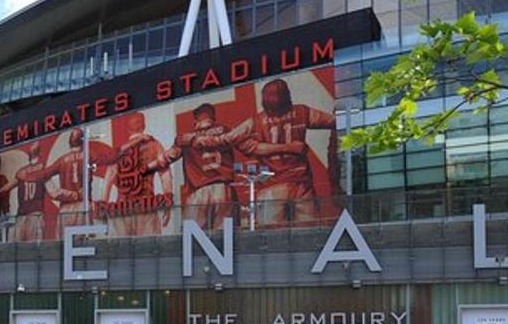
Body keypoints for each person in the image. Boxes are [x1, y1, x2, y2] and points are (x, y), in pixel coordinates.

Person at [190, 78, 338, 226]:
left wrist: (198, 140)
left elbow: (227, 139)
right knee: (309, 235)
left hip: (272, 186)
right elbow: (336, 121)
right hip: (300, 183)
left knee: (272, 238)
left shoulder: (255, 121)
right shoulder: (302, 112)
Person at [156, 102, 237, 232]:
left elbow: (167, 158)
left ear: (195, 120)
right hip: (223, 189)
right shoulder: (227, 130)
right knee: (225, 236)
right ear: (213, 117)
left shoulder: (184, 138)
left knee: (192, 239)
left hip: (197, 190)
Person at [107, 112, 173, 237]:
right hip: (146, 205)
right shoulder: (154, 145)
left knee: (122, 252)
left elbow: (107, 181)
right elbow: (165, 177)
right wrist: (168, 202)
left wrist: (103, 207)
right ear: (144, 126)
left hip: (122, 207)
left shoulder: (120, 150)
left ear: (128, 129)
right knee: (149, 251)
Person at [0, 143, 48, 241]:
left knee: (18, 250)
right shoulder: (44, 169)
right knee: (35, 249)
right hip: (35, 215)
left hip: (21, 216)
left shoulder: (21, 172)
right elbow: (53, 192)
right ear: (40, 153)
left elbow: (6, 188)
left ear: (29, 155)